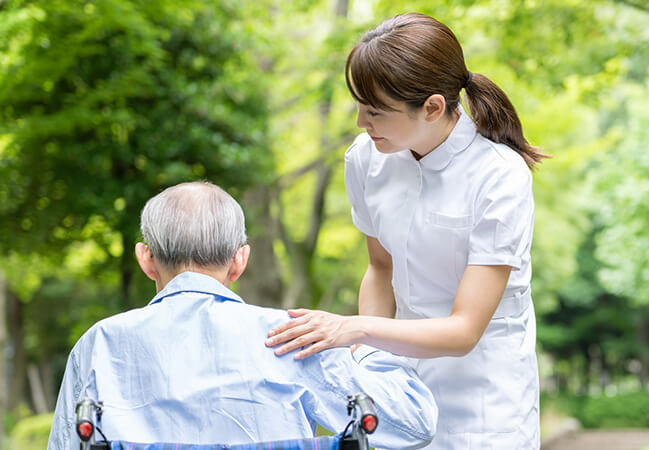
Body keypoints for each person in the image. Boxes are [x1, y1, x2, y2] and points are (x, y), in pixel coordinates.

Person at [265, 12, 550, 449]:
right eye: (359, 106)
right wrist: (367, 368)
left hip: (486, 398)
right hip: (399, 388)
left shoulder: (499, 176)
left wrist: (354, 330)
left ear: (433, 107)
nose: (362, 122)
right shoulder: (366, 159)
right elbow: (380, 268)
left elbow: (463, 331)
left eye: (376, 111)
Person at [47, 181, 437, 450]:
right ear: (240, 261)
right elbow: (413, 424)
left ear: (146, 260)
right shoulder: (296, 336)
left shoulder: (100, 345)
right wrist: (364, 341)